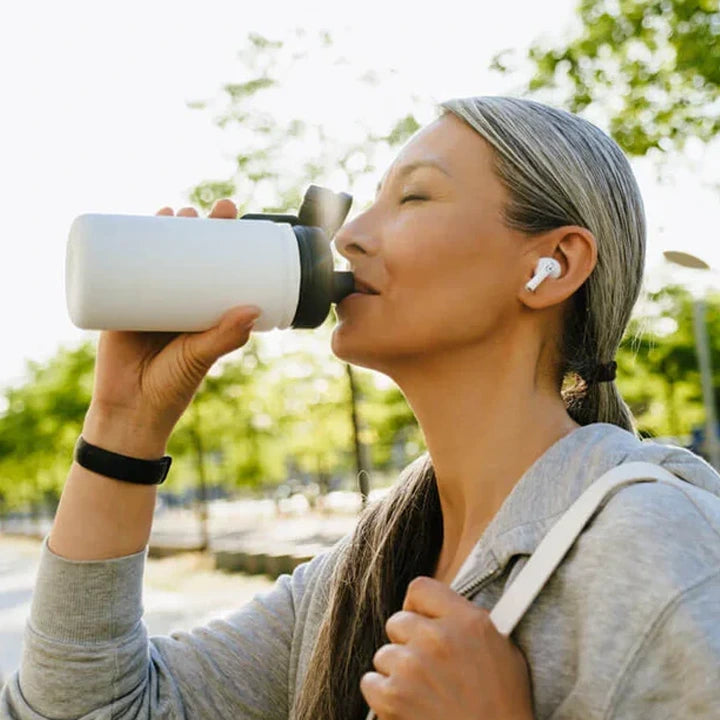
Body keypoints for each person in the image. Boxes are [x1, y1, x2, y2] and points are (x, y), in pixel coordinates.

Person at [2, 96, 719, 720]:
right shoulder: (365, 569)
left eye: (413, 198)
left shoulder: (650, 537)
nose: (347, 235)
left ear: (552, 264)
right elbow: (84, 708)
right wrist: (124, 424)